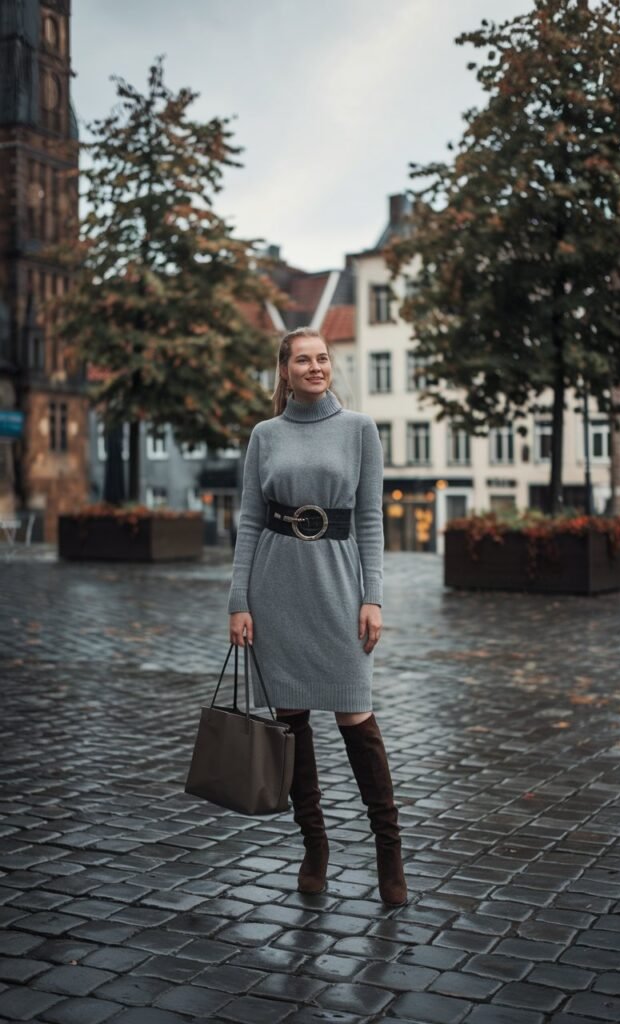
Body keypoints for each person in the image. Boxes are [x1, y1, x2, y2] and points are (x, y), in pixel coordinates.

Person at [228, 326, 407, 907]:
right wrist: (239, 601)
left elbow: (372, 518)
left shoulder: (359, 430)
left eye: (322, 358)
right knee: (293, 721)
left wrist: (372, 595)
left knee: (357, 716)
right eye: (303, 359)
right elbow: (250, 520)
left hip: (338, 587)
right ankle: (315, 846)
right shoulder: (265, 434)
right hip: (276, 590)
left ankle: (389, 851)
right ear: (284, 371)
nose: (315, 367)